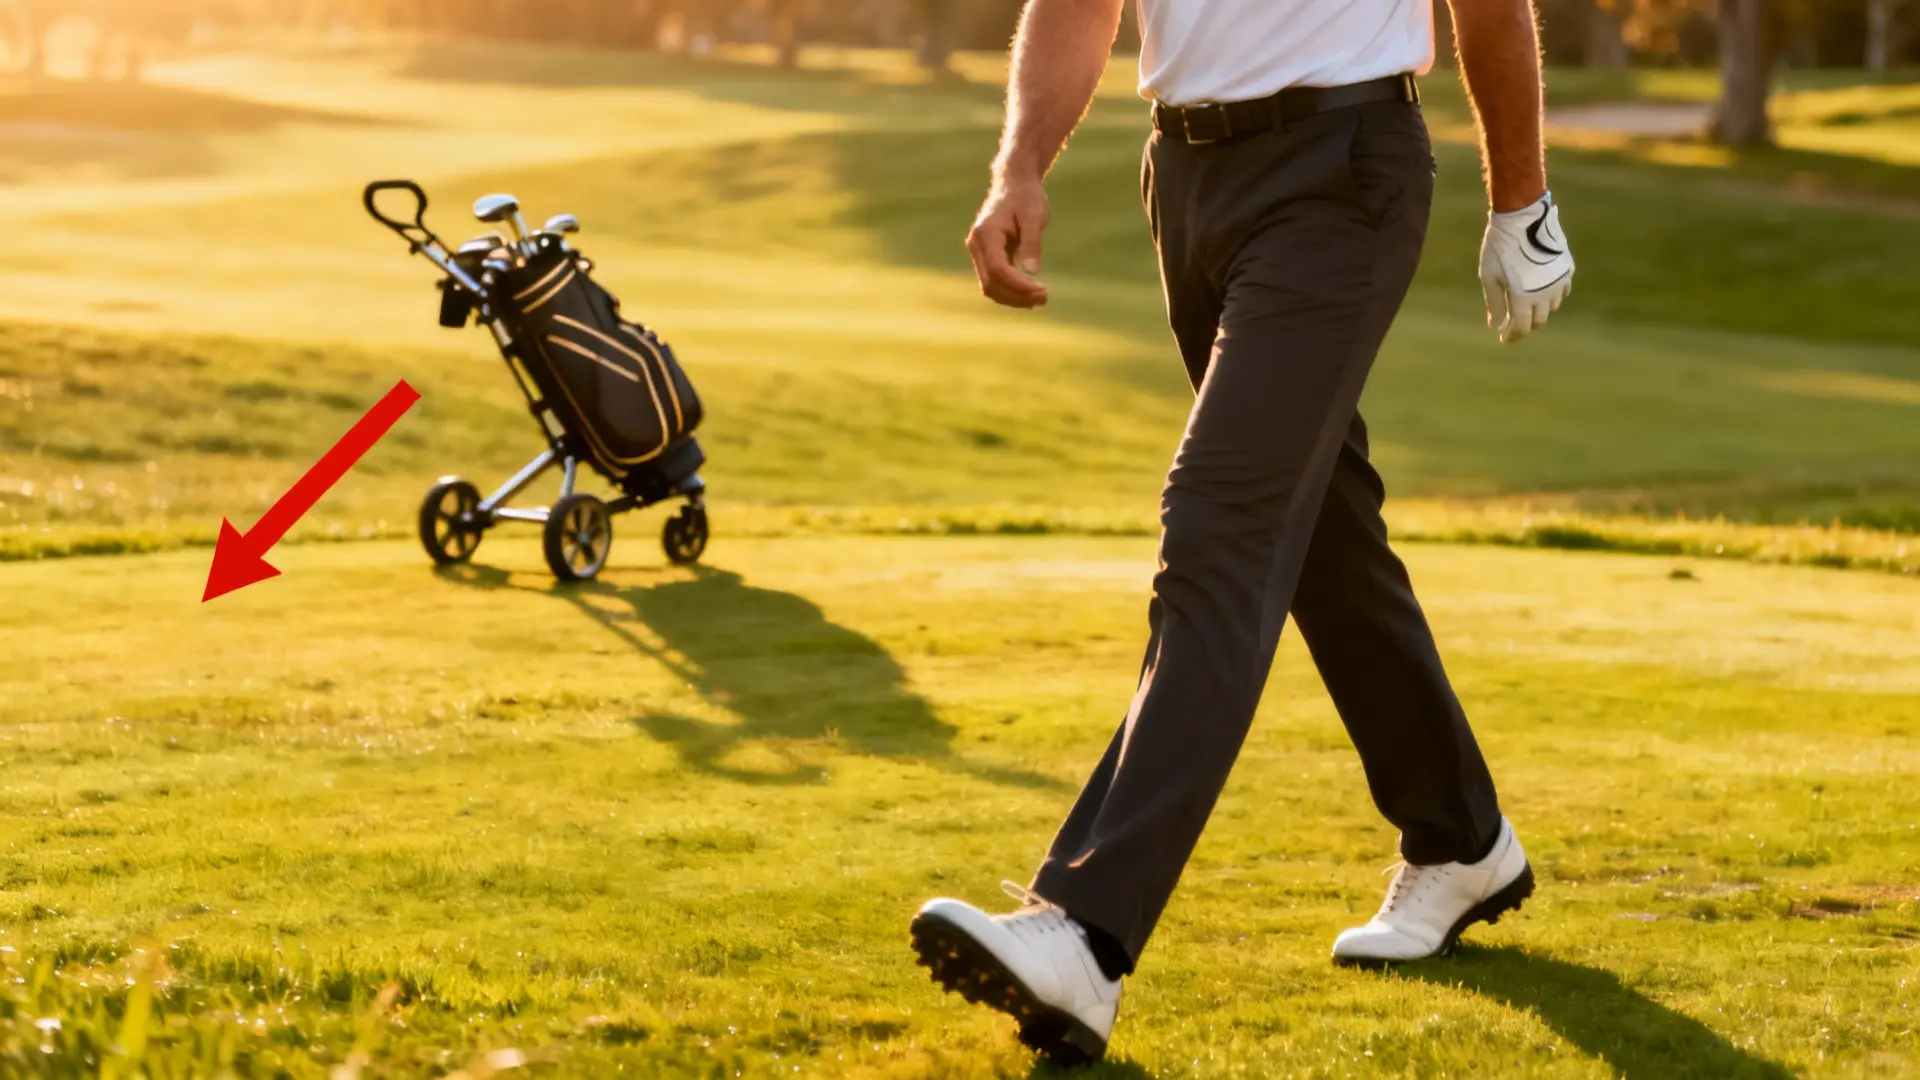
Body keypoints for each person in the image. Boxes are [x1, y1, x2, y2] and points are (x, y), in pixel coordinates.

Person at [908, 0, 1577, 1066]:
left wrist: (1522, 203)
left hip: (1344, 170)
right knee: (1319, 537)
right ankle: (1462, 840)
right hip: (1186, 182)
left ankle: (1085, 932)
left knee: (1218, 524)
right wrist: (1019, 165)